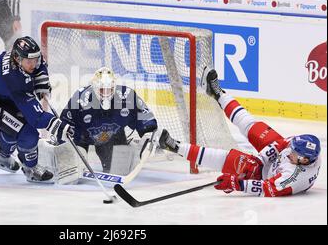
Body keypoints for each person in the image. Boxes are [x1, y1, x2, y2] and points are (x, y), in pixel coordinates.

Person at [159, 67, 322, 197]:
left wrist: (237, 183)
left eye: (294, 153)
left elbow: (267, 188)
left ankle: (174, 147)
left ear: (304, 160)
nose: (290, 152)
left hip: (263, 174)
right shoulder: (306, 149)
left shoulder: (293, 178)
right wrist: (259, 159)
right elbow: (282, 143)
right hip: (267, 161)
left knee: (229, 159)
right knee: (252, 125)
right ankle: (218, 94)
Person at [0, 36, 74, 183]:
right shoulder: (13, 79)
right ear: (18, 59)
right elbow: (36, 117)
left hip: (4, 95)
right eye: (29, 62)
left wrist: (41, 79)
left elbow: (40, 63)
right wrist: (56, 125)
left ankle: (2, 156)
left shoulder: (18, 57)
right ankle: (30, 168)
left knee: (14, 126)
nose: (33, 64)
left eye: (34, 60)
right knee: (27, 132)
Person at [59, 67, 158, 175]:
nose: (106, 93)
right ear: (95, 88)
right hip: (83, 138)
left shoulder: (126, 95)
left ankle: (131, 149)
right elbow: (64, 124)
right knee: (71, 174)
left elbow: (144, 116)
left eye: (109, 89)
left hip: (111, 137)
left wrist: (149, 135)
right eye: (102, 90)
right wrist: (65, 146)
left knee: (118, 172)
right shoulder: (80, 98)